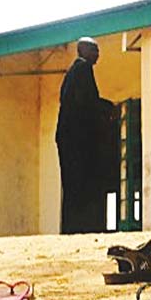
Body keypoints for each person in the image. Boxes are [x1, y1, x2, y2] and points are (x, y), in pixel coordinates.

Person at [56, 37, 109, 233]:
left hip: (68, 137)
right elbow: (85, 103)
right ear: (83, 51)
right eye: (94, 50)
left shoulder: (72, 73)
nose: (98, 55)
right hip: (75, 139)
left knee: (72, 185)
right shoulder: (83, 70)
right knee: (81, 183)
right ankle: (82, 226)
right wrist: (106, 107)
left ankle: (72, 226)